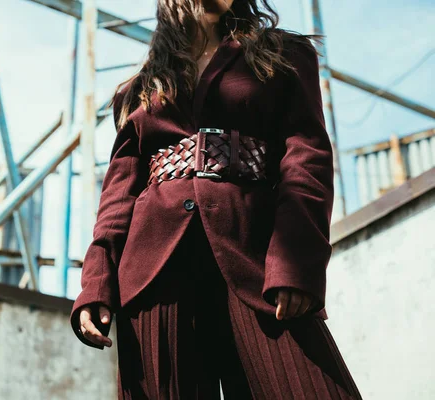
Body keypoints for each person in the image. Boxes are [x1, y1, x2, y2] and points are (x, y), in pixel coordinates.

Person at [69, 0, 363, 398]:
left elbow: (306, 160)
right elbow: (118, 196)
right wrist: (96, 284)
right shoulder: (139, 89)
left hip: (257, 262)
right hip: (153, 274)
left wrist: (296, 265)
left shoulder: (285, 55)